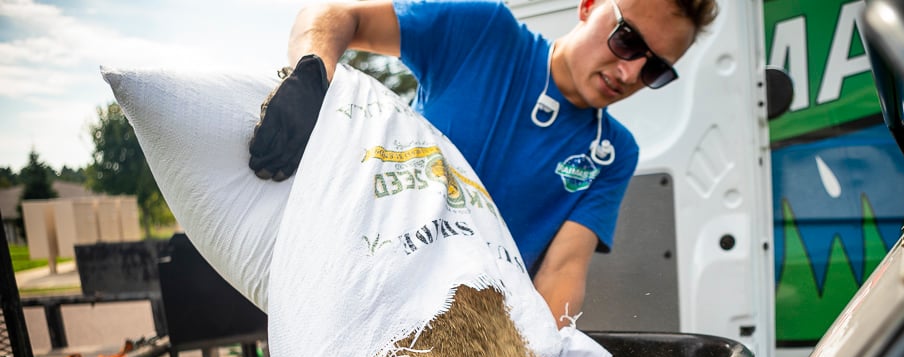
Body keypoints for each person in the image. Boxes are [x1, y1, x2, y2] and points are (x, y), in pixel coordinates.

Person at [250, 0, 718, 326]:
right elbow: (336, 14)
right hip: (372, 289)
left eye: (656, 68)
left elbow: (562, 271)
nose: (629, 73)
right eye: (628, 39)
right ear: (589, 4)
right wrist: (311, 77)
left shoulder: (614, 153)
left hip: (474, 330)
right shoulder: (485, 34)